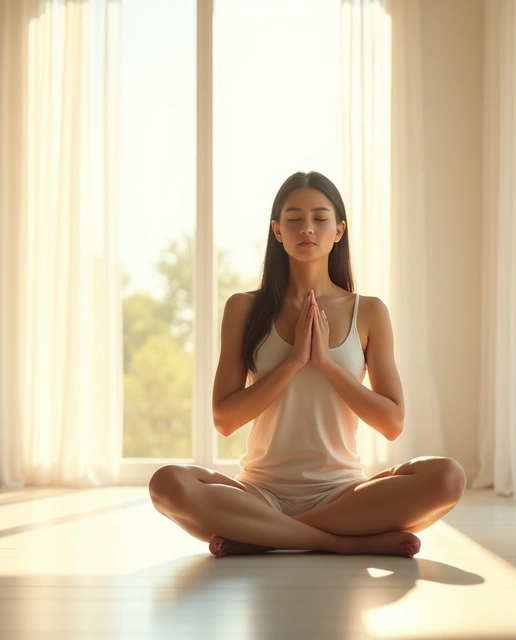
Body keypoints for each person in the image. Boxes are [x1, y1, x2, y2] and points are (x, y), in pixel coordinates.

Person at [148, 171, 466, 557]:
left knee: (447, 477)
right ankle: (341, 544)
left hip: (344, 495)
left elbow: (392, 423)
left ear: (339, 230)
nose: (307, 228)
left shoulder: (367, 312)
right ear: (277, 230)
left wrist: (328, 364)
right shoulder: (243, 308)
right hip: (259, 493)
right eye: (294, 218)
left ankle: (264, 536)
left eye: (320, 218)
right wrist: (293, 361)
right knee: (167, 483)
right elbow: (225, 420)